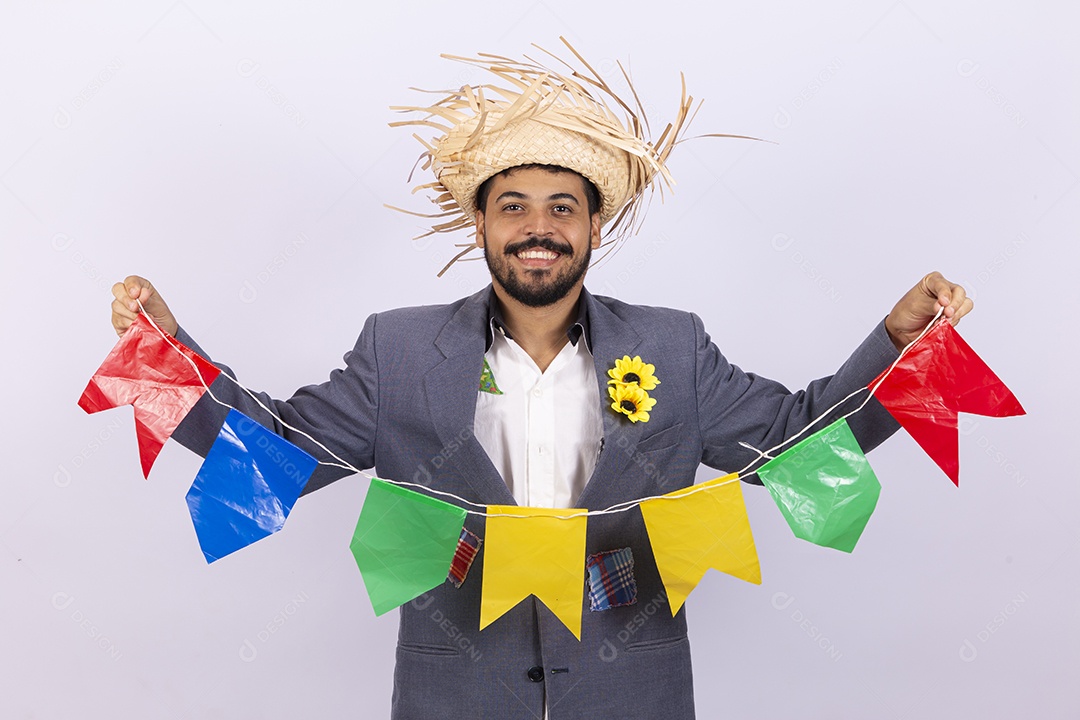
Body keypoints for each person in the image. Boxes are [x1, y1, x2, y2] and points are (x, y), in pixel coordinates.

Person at [108, 43, 970, 720]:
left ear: (596, 224)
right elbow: (275, 454)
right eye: (513, 204)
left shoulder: (674, 345)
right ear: (480, 220)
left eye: (564, 206)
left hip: (635, 699)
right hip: (454, 701)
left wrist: (897, 345)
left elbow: (792, 443)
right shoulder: (398, 350)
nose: (538, 227)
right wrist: (165, 350)